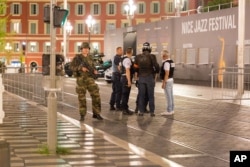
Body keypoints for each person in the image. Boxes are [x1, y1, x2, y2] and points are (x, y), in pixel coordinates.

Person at [70, 42, 103, 121]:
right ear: (81, 49)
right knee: (82, 98)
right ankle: (82, 115)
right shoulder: (77, 58)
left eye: (87, 48)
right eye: (84, 48)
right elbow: (71, 67)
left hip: (90, 79)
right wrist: (80, 68)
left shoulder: (90, 57)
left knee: (96, 95)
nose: (86, 50)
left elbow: (93, 66)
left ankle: (96, 113)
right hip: (81, 80)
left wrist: (95, 70)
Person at [134, 42, 159, 117]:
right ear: (149, 48)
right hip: (149, 77)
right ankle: (152, 112)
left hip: (141, 77)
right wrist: (155, 72)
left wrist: (137, 77)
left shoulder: (138, 57)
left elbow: (135, 68)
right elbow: (157, 67)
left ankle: (141, 111)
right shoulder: (152, 56)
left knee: (141, 95)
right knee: (151, 95)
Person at [160, 50, 175, 115]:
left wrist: (164, 83)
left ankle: (169, 110)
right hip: (171, 80)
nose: (161, 56)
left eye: (162, 55)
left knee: (168, 96)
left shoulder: (166, 63)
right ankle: (172, 109)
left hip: (167, 81)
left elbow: (167, 73)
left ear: (164, 56)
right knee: (171, 96)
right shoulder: (172, 62)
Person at [120, 47, 134, 115]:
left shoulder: (122, 58)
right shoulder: (128, 60)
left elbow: (119, 67)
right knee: (126, 94)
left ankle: (125, 108)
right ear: (131, 52)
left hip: (123, 77)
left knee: (124, 94)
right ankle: (124, 109)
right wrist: (129, 81)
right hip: (126, 78)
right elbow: (127, 70)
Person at [109, 47, 123, 111]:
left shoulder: (116, 57)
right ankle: (118, 106)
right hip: (117, 76)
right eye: (120, 50)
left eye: (122, 50)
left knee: (114, 91)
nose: (122, 51)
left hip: (114, 75)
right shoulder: (117, 58)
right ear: (117, 51)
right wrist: (123, 72)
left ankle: (112, 105)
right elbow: (119, 67)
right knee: (118, 91)